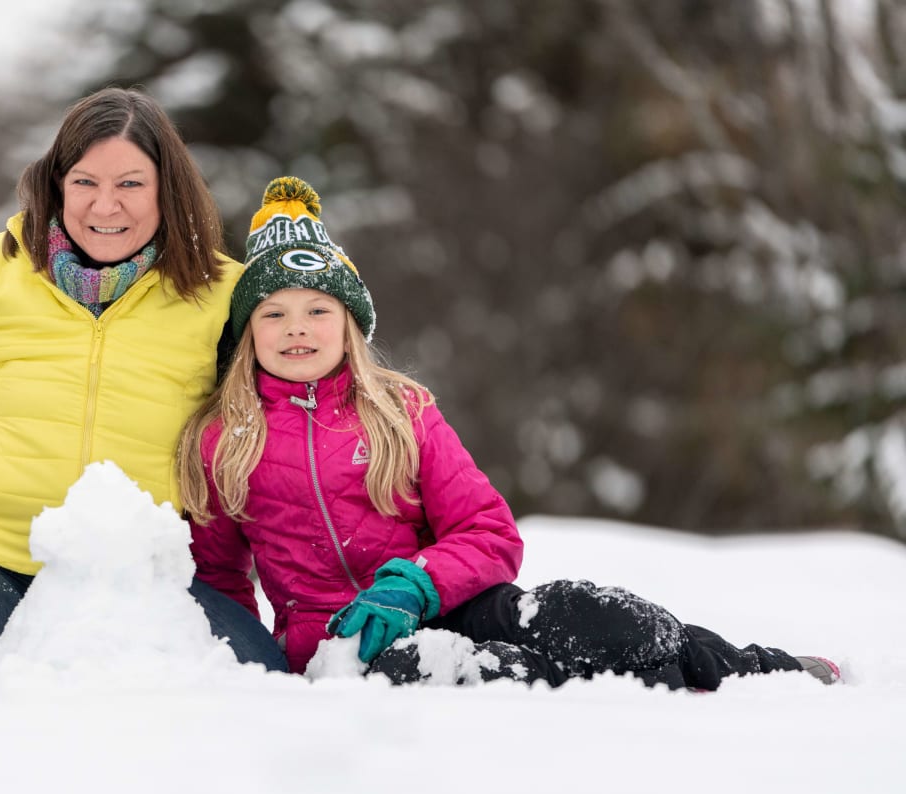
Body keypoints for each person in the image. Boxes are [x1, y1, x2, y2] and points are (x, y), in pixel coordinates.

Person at [176, 176, 841, 690]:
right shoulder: (222, 441)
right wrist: (268, 678)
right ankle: (611, 695)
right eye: (275, 312)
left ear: (349, 324)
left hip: (453, 602)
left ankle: (755, 672)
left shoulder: (403, 412)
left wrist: (415, 582)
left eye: (318, 309)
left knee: (586, 613)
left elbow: (492, 533)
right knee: (472, 672)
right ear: (247, 335)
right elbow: (221, 585)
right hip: (348, 653)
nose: (298, 328)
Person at [0, 87, 288, 673]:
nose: (105, 207)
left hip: (142, 565)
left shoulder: (221, 295)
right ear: (56, 185)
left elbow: (267, 431)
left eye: (130, 184)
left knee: (253, 678)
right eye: (85, 182)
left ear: (167, 189)